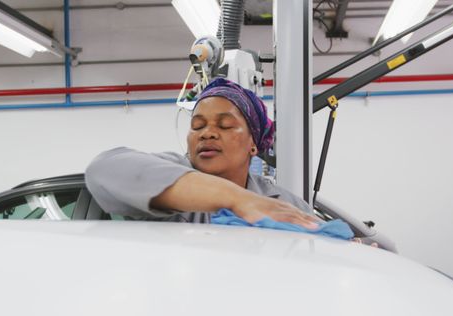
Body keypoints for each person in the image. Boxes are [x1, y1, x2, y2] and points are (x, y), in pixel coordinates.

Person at [85, 78, 319, 229]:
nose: (207, 134)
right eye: (197, 126)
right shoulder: (174, 174)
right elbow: (103, 168)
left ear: (254, 144)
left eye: (225, 125)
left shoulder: (283, 202)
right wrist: (238, 199)